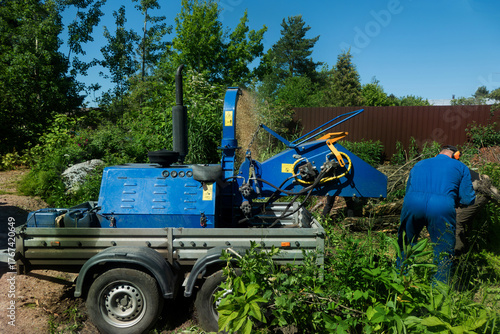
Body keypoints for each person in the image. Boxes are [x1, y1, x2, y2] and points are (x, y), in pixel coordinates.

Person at [397, 145, 475, 283]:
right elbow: (467, 198)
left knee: (405, 244)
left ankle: (399, 280)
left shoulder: (419, 163)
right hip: (442, 206)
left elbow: (408, 190)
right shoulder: (461, 167)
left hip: (412, 203)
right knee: (443, 249)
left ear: (439, 153)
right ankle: (438, 290)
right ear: (455, 155)